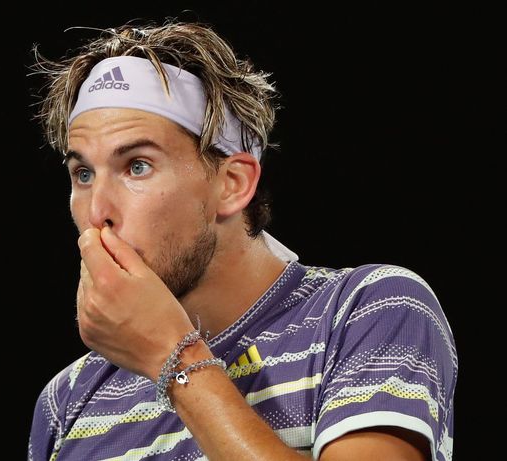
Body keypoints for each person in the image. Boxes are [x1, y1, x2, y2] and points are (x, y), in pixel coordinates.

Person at [26, 20, 457, 461]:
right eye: (83, 174)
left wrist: (173, 359)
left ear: (232, 183)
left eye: (137, 166)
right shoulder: (69, 400)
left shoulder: (369, 310)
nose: (98, 212)